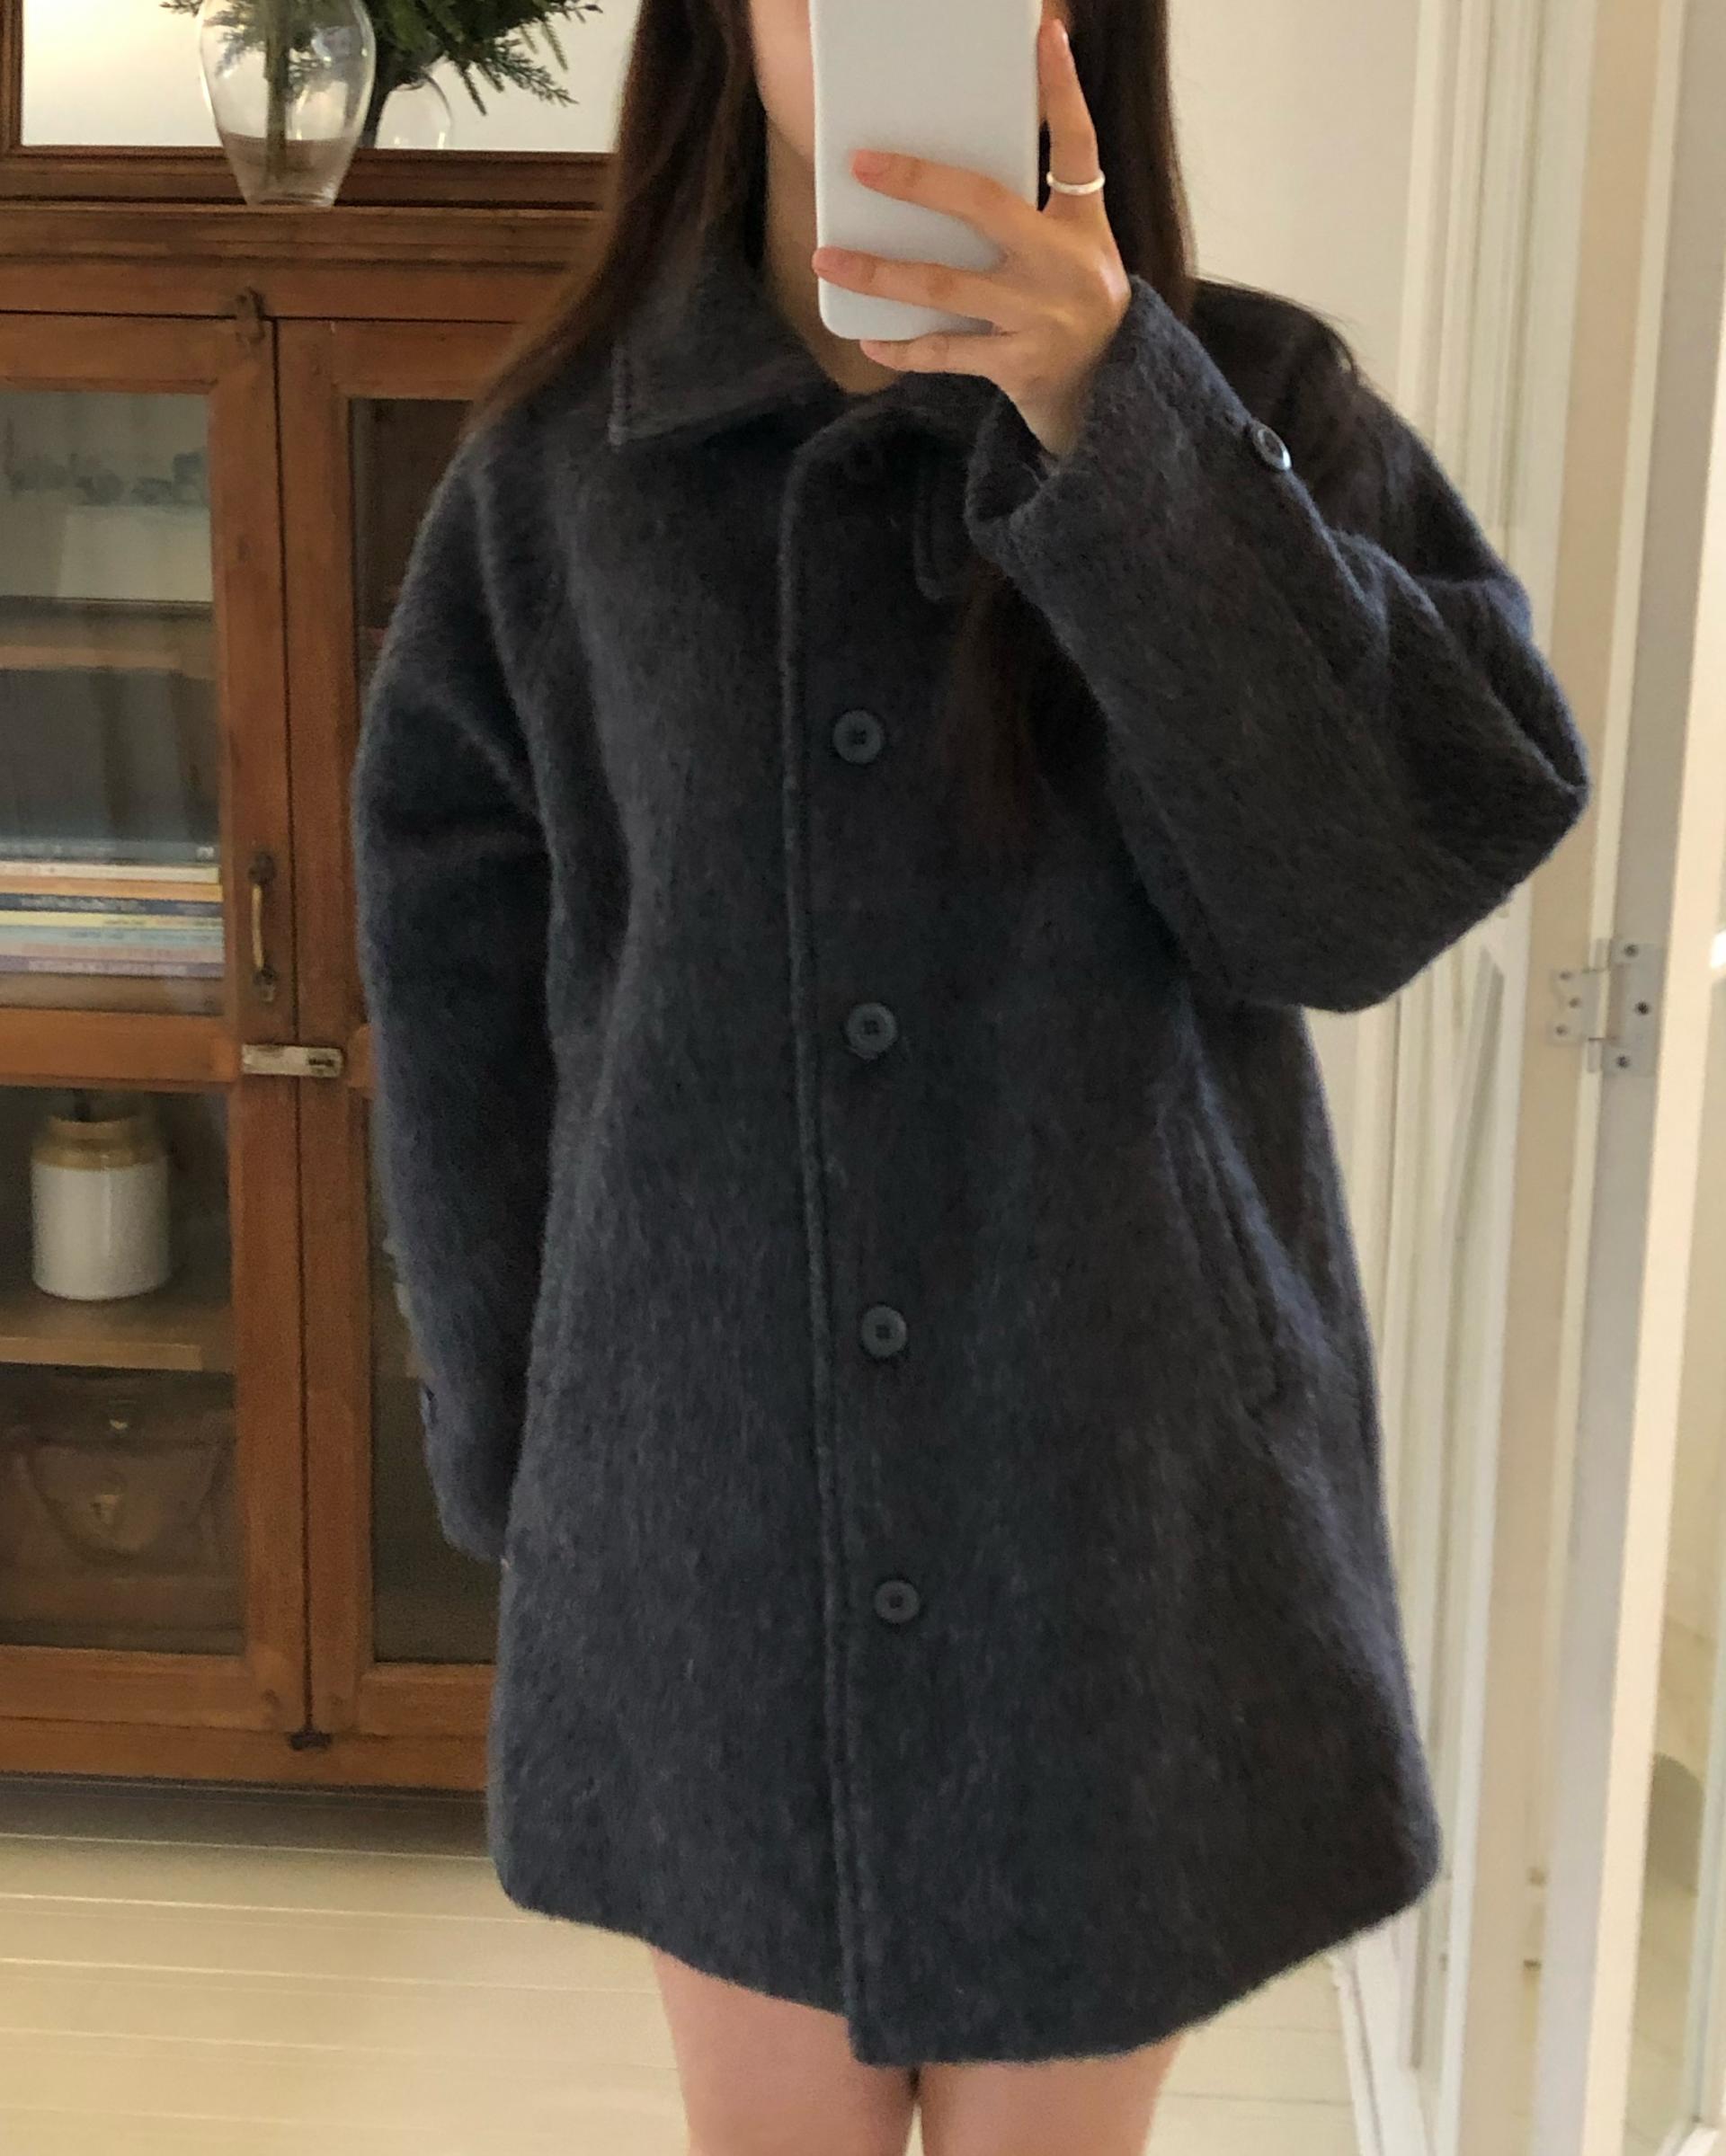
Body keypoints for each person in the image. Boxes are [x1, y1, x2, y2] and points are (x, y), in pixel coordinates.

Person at [349, 2, 1593, 2151]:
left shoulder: (1256, 402)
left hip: (1117, 1531)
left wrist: (1117, 417)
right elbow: (459, 1008)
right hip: (715, 1520)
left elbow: (1367, 891)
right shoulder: (564, 469)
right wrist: (533, 1460)